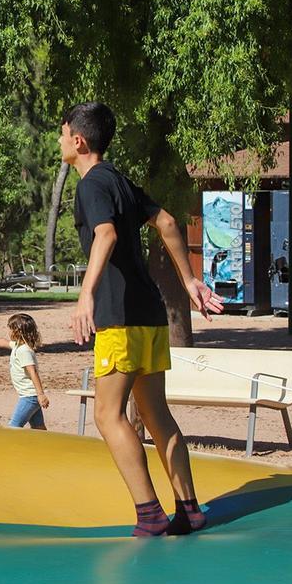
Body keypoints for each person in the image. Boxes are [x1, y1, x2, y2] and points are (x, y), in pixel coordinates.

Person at [62, 101, 223, 537]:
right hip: (151, 315)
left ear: (78, 141)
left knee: (107, 416)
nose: (60, 142)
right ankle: (189, 510)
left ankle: (149, 513)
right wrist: (190, 282)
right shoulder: (120, 180)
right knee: (155, 413)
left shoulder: (92, 184)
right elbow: (167, 221)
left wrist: (86, 294)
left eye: (62, 135)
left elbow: (106, 234)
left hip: (120, 317)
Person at [0, 313, 49, 430]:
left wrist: (41, 394)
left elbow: (33, 372)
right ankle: (47, 446)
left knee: (14, 427)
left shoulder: (23, 351)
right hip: (31, 396)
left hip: (29, 396)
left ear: (17, 331)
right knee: (39, 428)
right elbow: (3, 342)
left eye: (10, 329)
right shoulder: (17, 346)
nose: (8, 331)